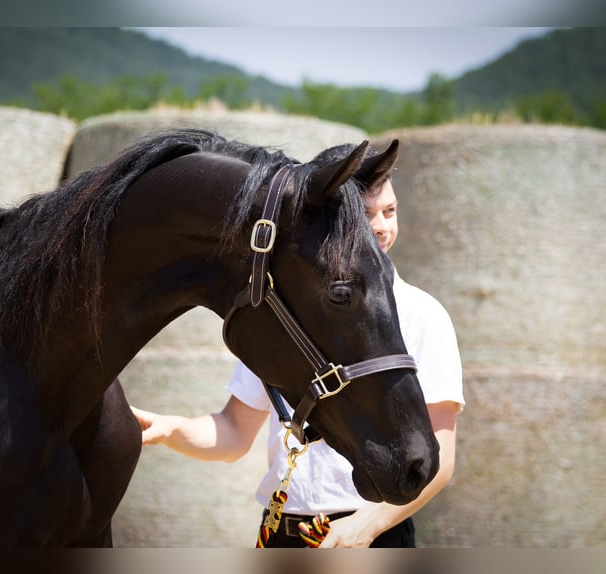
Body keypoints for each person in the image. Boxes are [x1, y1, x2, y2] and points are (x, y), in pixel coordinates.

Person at [132, 142, 465, 548]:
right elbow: (234, 433)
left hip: (368, 537)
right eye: (366, 214)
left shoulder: (423, 314)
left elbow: (440, 458)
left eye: (390, 211)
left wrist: (366, 526)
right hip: (280, 534)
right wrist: (169, 429)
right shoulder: (288, 320)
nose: (380, 226)